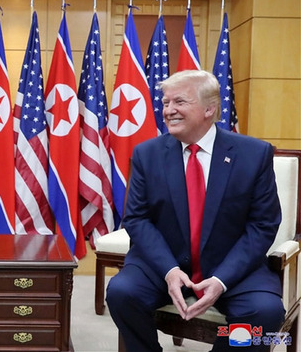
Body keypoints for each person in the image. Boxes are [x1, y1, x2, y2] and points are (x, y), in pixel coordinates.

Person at [106, 70, 284, 351]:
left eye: (179, 102)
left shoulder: (254, 154)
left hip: (230, 265)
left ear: (209, 108)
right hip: (165, 262)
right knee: (121, 293)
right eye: (165, 103)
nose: (168, 110)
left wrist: (222, 279)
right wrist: (169, 270)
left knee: (264, 312)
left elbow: (263, 225)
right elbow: (137, 219)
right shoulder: (146, 154)